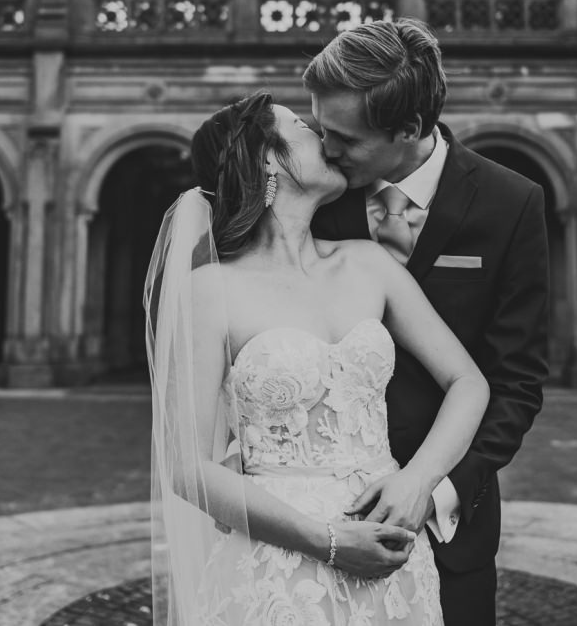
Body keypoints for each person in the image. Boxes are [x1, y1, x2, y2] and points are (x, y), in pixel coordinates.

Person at [147, 90, 489, 625]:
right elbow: (187, 468)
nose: (324, 136)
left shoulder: (369, 264)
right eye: (303, 127)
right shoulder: (210, 292)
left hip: (392, 556)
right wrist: (328, 542)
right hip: (278, 565)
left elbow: (468, 381)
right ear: (267, 161)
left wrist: (418, 478)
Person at [306, 18, 552, 626]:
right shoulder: (312, 197)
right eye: (318, 128)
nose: (326, 149)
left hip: (449, 528)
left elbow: (516, 381)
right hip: (320, 518)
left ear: (408, 128)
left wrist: (432, 488)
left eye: (344, 138)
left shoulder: (511, 204)